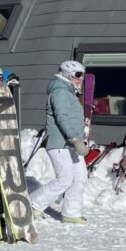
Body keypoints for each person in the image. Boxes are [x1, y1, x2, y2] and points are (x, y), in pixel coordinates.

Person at [29, 60, 89, 224]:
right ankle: (32, 204)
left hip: (70, 143)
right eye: (77, 75)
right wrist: (75, 139)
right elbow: (62, 117)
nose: (80, 79)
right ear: (66, 74)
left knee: (80, 177)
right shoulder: (60, 91)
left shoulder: (69, 92)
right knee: (65, 179)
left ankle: (71, 213)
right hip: (60, 143)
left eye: (82, 76)